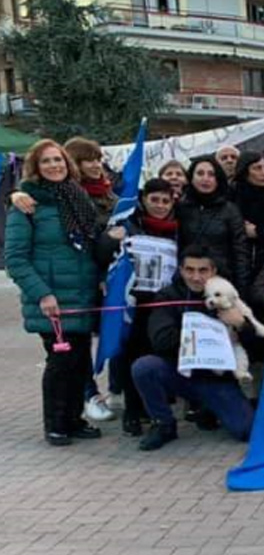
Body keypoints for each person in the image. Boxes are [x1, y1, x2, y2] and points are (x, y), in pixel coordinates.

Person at [5, 139, 103, 446]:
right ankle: (56, 424)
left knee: (78, 362)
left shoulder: (77, 197)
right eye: (46, 161)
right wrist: (43, 294)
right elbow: (15, 259)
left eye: (58, 160)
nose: (54, 166)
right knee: (60, 364)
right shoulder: (26, 207)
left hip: (81, 296)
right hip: (53, 300)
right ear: (35, 167)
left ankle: (73, 419)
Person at [131, 245, 259, 450]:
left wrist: (241, 325)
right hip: (180, 372)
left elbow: (256, 346)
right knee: (144, 367)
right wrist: (200, 334)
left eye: (203, 270)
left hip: (217, 378)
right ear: (180, 270)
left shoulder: (228, 295)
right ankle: (163, 424)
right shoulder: (168, 296)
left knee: (246, 431)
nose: (196, 277)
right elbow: (160, 340)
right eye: (190, 270)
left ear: (213, 271)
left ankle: (213, 408)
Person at [94, 178, 179, 436]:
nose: (160, 206)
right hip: (133, 305)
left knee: (156, 356)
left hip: (163, 304)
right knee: (131, 356)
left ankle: (153, 410)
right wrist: (110, 240)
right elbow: (102, 255)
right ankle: (132, 412)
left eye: (165, 201)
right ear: (144, 200)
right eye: (155, 200)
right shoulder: (128, 224)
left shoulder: (177, 229)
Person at [176, 155, 252, 290]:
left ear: (218, 180)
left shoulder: (230, 210)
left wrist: (242, 288)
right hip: (186, 280)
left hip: (221, 281)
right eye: (200, 173)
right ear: (191, 178)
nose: (205, 178)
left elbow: (240, 251)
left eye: (211, 174)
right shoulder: (181, 208)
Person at [230, 151, 264, 279]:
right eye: (258, 168)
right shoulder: (231, 197)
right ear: (245, 171)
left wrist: (259, 232)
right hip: (236, 264)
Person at [64, 137, 117, 223]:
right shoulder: (70, 193)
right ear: (74, 163)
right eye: (90, 160)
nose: (97, 165)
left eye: (98, 160)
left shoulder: (106, 187)